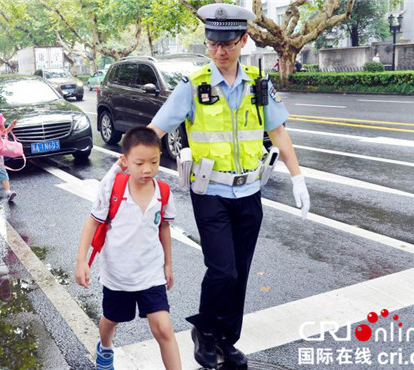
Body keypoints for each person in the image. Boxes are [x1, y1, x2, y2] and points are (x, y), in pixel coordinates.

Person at [148, 3, 310, 368]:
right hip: (210, 194)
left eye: (227, 44)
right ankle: (204, 330)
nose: (219, 51)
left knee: (241, 272)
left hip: (250, 193)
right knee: (223, 270)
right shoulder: (193, 86)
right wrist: (127, 167)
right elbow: (154, 129)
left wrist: (297, 176)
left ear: (243, 40)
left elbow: (278, 133)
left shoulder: (258, 85)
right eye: (212, 43)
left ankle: (225, 339)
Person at [75, 127, 181, 370]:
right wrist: (81, 262)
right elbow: (92, 222)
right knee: (111, 320)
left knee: (164, 328)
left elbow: (164, 228)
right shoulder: (112, 188)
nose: (147, 169)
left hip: (150, 273)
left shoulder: (163, 192)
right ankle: (105, 347)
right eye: (139, 163)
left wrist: (168, 264)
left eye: (154, 162)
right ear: (124, 161)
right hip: (118, 275)